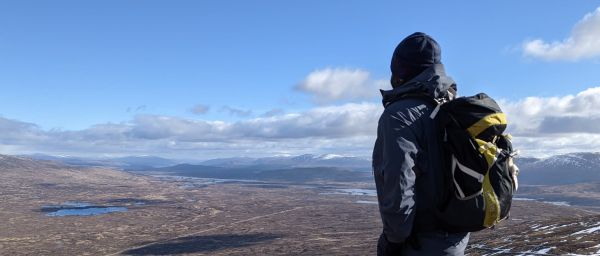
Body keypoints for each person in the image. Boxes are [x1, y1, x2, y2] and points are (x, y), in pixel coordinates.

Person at [372, 32, 470, 255]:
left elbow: (399, 182)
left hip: (420, 241)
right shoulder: (451, 105)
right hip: (455, 236)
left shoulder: (399, 114)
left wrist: (393, 240)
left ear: (400, 69)